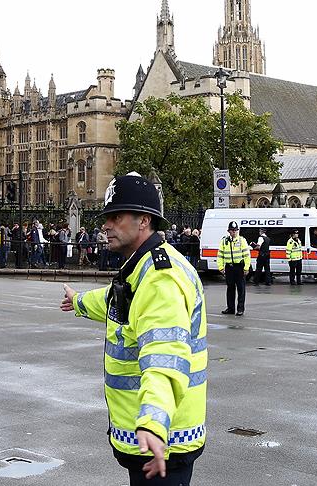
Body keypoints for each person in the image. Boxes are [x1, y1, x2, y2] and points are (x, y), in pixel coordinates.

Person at [60, 173, 207, 485]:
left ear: (144, 221)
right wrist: (79, 302)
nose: (106, 224)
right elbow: (117, 302)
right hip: (148, 439)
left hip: (162, 442)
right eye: (106, 217)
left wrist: (154, 421)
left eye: (116, 216)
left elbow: (165, 355)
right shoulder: (141, 267)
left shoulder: (160, 278)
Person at [218, 221, 251, 316]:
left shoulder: (242, 240)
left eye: (236, 230)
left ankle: (240, 309)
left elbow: (247, 255)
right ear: (229, 231)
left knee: (241, 289)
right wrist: (220, 267)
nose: (234, 232)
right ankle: (230, 308)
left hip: (239, 267)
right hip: (229, 268)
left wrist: (246, 267)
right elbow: (220, 255)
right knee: (230, 289)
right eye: (232, 230)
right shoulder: (224, 241)